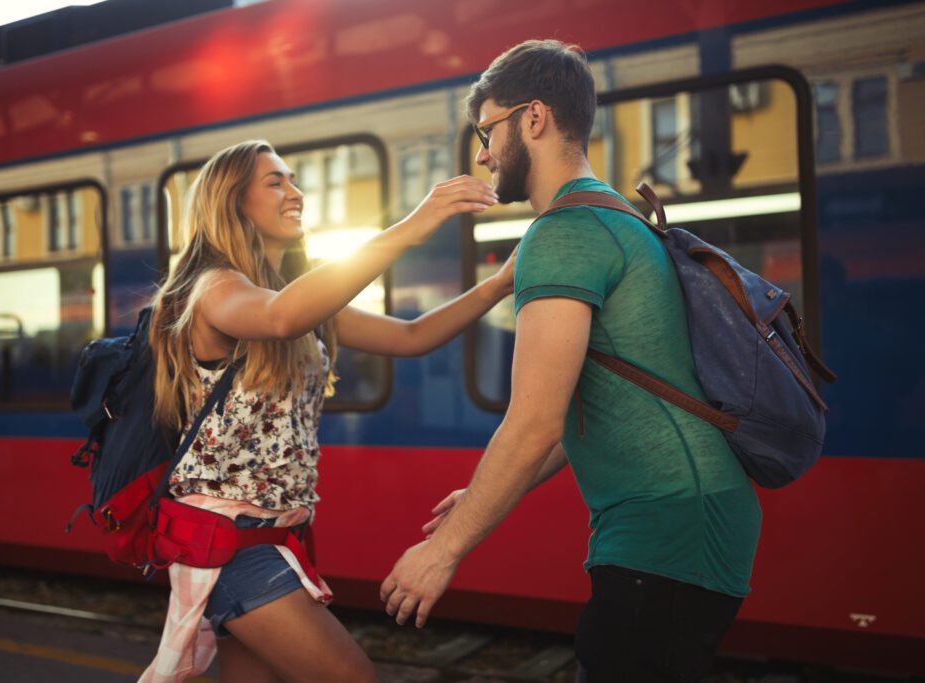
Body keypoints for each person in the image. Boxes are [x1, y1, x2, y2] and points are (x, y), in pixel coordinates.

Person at [380, 39, 762, 683]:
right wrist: (485, 493)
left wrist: (442, 551)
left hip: (662, 532)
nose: (481, 153)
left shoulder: (560, 233)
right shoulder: (618, 217)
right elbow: (587, 410)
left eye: (487, 130)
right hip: (694, 521)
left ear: (533, 119)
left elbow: (532, 424)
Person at [141, 140, 513, 683]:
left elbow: (412, 336)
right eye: (276, 182)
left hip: (274, 536)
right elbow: (279, 317)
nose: (295, 192)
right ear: (233, 201)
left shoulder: (302, 298)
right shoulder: (213, 289)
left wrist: (501, 284)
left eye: (292, 179)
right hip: (227, 542)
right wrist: (416, 223)